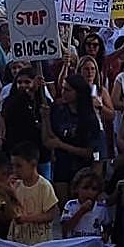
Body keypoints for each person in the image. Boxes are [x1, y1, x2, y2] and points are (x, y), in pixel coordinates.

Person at [45, 74, 99, 204]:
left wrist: (62, 146)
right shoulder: (58, 110)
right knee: (65, 207)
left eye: (68, 90)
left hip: (81, 168)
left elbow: (90, 152)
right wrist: (45, 118)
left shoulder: (89, 118)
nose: (63, 93)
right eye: (63, 88)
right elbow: (50, 138)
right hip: (61, 165)